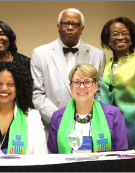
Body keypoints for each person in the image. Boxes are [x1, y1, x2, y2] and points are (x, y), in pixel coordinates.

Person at [31, 8, 106, 138]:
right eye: (66, 23)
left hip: (90, 127)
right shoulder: (40, 53)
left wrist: (85, 118)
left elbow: (99, 92)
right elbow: (37, 93)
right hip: (53, 127)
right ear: (58, 26)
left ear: (81, 28)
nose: (70, 28)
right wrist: (60, 118)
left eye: (75, 24)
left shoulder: (98, 55)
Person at [100, 17, 135, 155]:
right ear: (108, 39)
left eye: (125, 33)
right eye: (115, 34)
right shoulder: (106, 65)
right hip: (110, 135)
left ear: (132, 37)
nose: (120, 37)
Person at [47, 64, 128, 154]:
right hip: (68, 168)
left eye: (87, 82)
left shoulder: (113, 114)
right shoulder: (57, 117)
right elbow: (52, 155)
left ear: (95, 86)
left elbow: (122, 154)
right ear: (71, 87)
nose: (82, 87)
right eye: (77, 82)